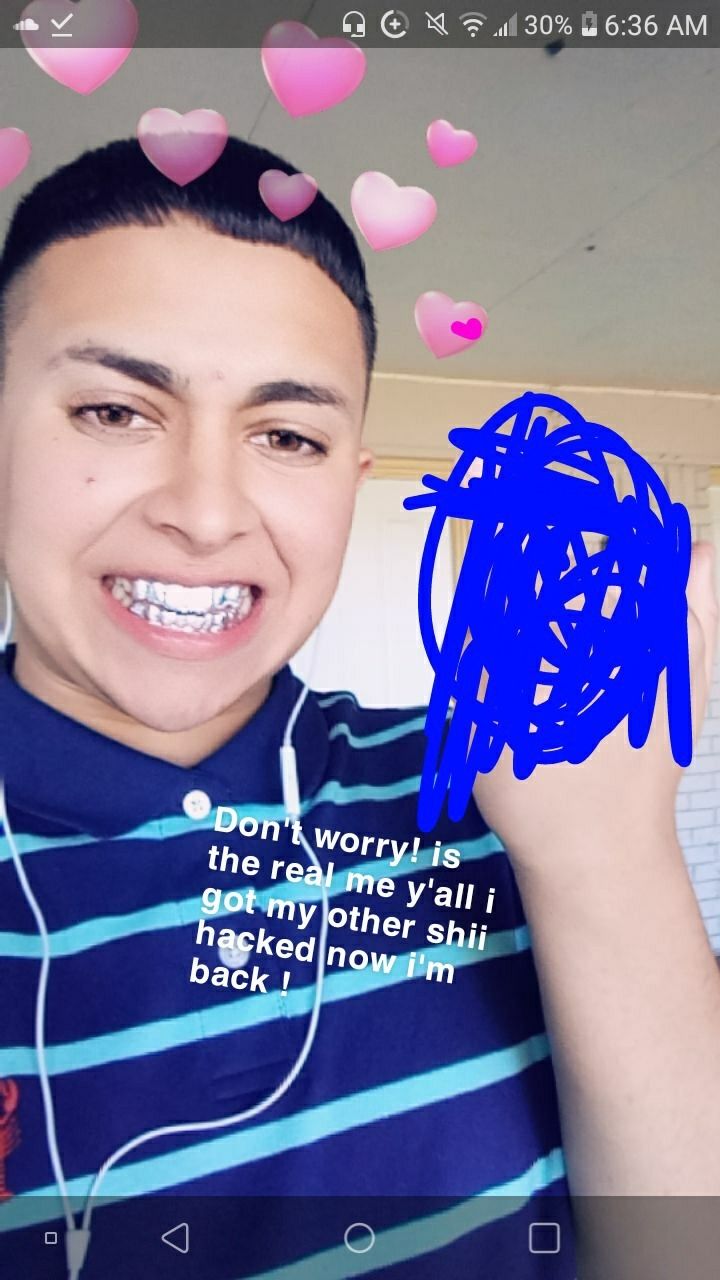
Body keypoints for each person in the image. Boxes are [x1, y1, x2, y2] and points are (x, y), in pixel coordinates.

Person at [0, 136, 717, 1280]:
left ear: (351, 477)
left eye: (288, 435)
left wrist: (605, 855)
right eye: (115, 411)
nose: (206, 513)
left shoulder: (494, 797)